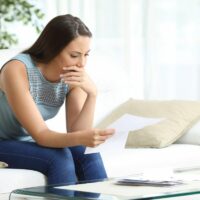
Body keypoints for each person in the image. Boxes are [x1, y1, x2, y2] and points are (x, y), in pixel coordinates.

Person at [0, 14, 115, 185]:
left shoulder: (73, 78)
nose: (82, 63)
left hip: (26, 142)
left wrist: (92, 94)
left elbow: (78, 135)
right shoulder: (17, 69)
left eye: (86, 54)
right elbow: (41, 135)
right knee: (59, 157)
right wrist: (83, 138)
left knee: (88, 154)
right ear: (53, 49)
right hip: (3, 142)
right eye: (75, 55)